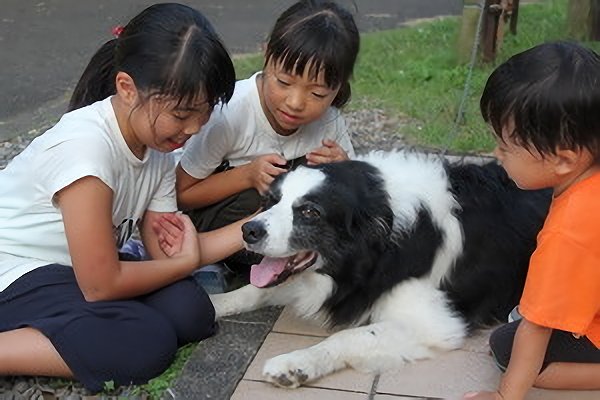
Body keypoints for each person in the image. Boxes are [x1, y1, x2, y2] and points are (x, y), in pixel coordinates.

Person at [0, 3, 242, 393]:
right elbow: (102, 285)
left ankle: (66, 327)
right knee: (146, 342)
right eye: (182, 114)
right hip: (16, 269)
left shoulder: (158, 148)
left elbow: (166, 255)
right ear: (127, 88)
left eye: (205, 112)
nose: (194, 128)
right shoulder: (86, 150)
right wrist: (184, 262)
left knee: (189, 312)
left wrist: (258, 225)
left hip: (74, 273)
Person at [176, 0, 359, 277]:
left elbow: (355, 199)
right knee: (274, 190)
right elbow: (181, 194)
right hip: (213, 218)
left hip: (277, 224)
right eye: (284, 82)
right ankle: (215, 260)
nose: (296, 102)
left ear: (339, 86)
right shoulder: (231, 114)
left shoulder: (330, 121)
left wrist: (344, 170)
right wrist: (247, 175)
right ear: (266, 54)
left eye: (318, 93)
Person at [463, 41, 600, 400]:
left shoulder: (566, 233)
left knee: (509, 344)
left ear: (565, 160)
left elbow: (537, 329)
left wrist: (504, 396)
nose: (496, 154)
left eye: (506, 147)